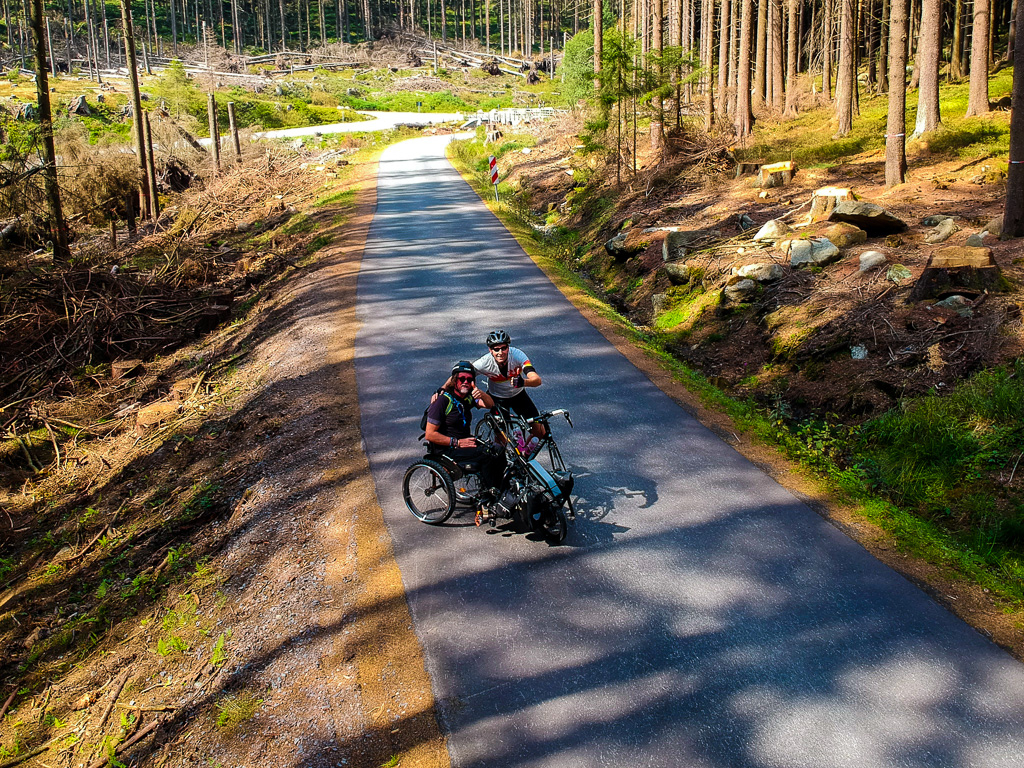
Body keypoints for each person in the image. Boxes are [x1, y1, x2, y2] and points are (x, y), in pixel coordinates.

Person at [424, 361, 505, 493]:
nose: (465, 382)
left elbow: (490, 405)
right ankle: (489, 495)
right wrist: (458, 442)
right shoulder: (442, 401)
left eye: (469, 379)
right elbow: (430, 434)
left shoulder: (467, 398)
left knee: (499, 449)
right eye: (462, 379)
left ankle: (500, 488)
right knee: (487, 455)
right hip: (448, 449)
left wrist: (481, 394)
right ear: (454, 381)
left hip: (465, 444)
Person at [472, 330, 546, 442]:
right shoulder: (484, 362)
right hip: (497, 399)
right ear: (490, 350)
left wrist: (523, 382)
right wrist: (443, 389)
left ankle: (523, 457)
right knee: (501, 441)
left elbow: (537, 380)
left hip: (519, 396)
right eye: (496, 349)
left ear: (508, 348)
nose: (500, 352)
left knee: (540, 433)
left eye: (503, 348)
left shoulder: (517, 355)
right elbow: (461, 374)